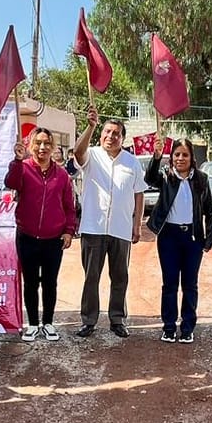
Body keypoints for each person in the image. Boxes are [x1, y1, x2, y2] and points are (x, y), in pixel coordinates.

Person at [72, 107, 147, 338]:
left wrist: (136, 226)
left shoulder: (132, 162)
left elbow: (139, 194)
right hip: (93, 228)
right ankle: (89, 320)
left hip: (121, 229)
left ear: (122, 138)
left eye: (116, 133)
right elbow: (77, 152)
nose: (110, 136)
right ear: (101, 134)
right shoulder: (92, 155)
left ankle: (117, 319)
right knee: (91, 277)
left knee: (120, 277)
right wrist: (91, 126)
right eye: (106, 131)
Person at [4, 128, 77, 342]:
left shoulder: (62, 175)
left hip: (53, 238)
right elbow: (11, 183)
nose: (42, 147)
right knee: (30, 282)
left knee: (50, 282)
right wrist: (17, 161)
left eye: (46, 143)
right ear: (30, 145)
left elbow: (69, 206)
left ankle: (48, 323)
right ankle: (33, 324)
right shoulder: (23, 168)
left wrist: (68, 231)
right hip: (27, 236)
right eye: (38, 143)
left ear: (53, 147)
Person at [145, 136, 212, 343]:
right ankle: (168, 327)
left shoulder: (201, 179)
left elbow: (210, 211)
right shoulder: (166, 177)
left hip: (192, 238)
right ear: (171, 157)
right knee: (170, 284)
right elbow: (149, 178)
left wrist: (208, 239)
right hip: (169, 237)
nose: (180, 158)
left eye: (185, 154)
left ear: (192, 157)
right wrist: (156, 158)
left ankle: (187, 327)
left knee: (190, 285)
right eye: (177, 154)